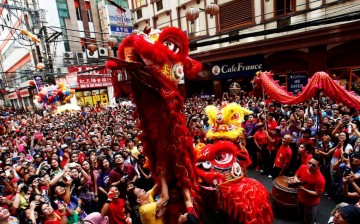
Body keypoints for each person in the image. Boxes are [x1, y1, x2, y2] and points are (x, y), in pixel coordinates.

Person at [290, 155, 325, 224]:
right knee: (301, 216)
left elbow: (318, 194)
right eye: (309, 163)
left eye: (313, 165)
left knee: (309, 220)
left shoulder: (320, 179)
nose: (310, 166)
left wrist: (304, 190)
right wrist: (296, 180)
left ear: (319, 167)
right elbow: (296, 175)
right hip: (300, 198)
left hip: (310, 204)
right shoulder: (303, 167)